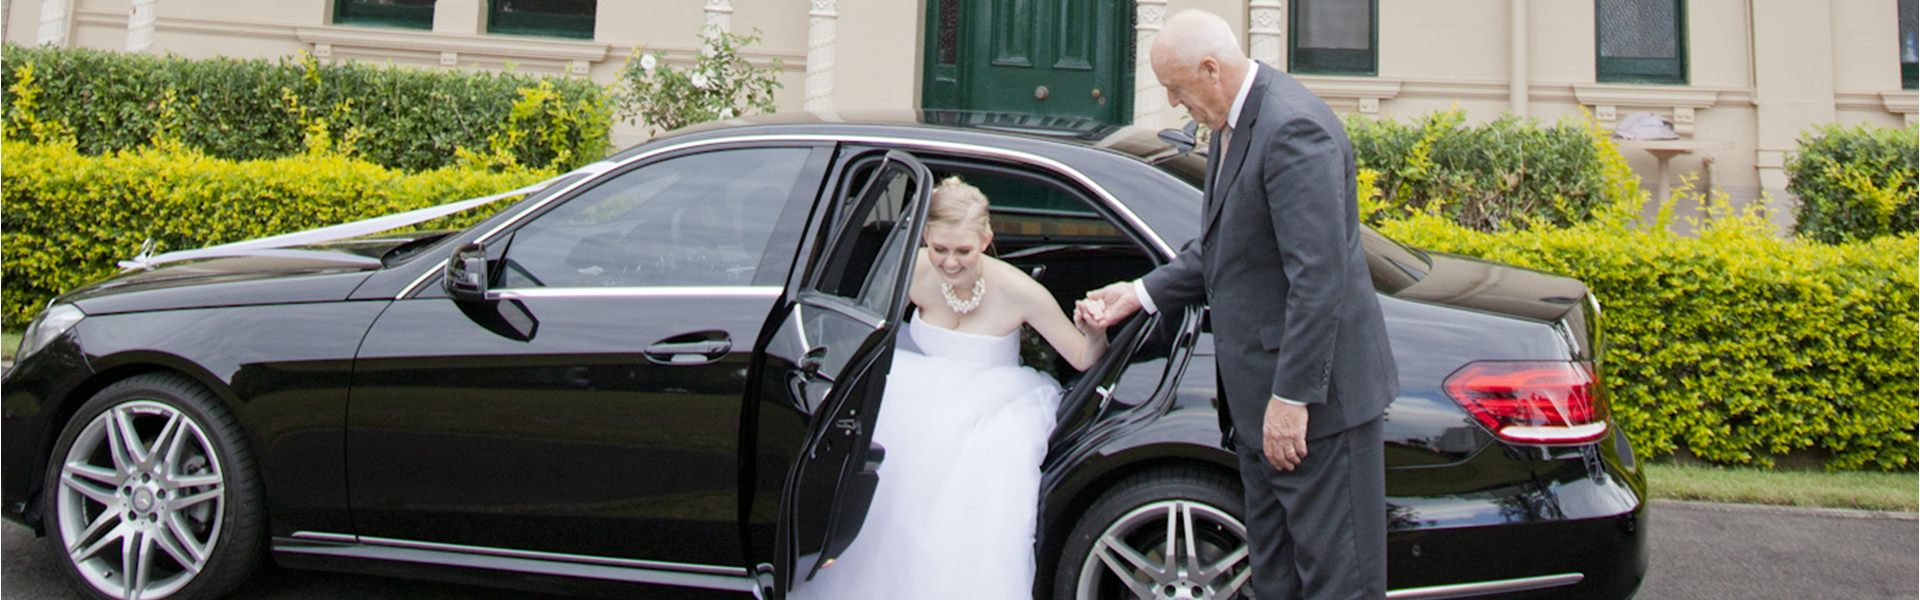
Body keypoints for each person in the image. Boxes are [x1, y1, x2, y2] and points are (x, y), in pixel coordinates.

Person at [1084, 10, 1398, 600]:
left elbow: (1319, 279)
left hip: (1314, 414)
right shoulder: (1233, 123)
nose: (1175, 104)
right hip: (1259, 410)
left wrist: (1291, 399)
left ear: (1210, 68)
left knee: (1338, 585)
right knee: (1276, 578)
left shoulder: (1292, 128)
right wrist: (1139, 293)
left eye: (1176, 88)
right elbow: (1226, 249)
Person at [791, 176, 1109, 600]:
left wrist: (1095, 330)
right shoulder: (913, 268)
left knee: (967, 510)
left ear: (986, 239)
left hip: (989, 415)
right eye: (940, 249)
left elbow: (1084, 358)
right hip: (910, 402)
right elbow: (866, 335)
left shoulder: (1019, 291)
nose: (951, 263)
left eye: (964, 251)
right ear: (925, 237)